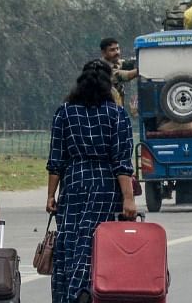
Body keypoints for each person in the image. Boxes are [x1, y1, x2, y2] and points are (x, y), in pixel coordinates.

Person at [47, 60, 136, 303]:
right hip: (106, 187)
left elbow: (56, 159)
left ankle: (69, 294)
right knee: (97, 243)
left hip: (74, 184)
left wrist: (50, 195)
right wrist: (128, 198)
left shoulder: (64, 113)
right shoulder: (116, 114)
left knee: (71, 241)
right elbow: (122, 161)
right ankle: (88, 292)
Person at [96, 38, 138, 110]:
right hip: (104, 108)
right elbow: (126, 75)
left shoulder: (116, 62)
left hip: (116, 106)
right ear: (103, 52)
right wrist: (144, 67)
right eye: (112, 50)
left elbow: (128, 63)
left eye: (117, 49)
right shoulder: (102, 68)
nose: (117, 52)